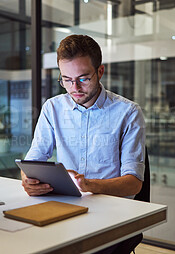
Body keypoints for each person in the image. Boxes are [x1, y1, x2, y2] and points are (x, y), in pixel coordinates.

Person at [22, 35, 146, 253]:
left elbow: (134, 183)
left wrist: (90, 185)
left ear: (100, 72)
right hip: (63, 207)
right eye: (66, 79)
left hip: (111, 212)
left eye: (83, 78)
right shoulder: (52, 108)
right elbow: (32, 161)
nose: (74, 88)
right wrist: (28, 180)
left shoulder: (128, 112)